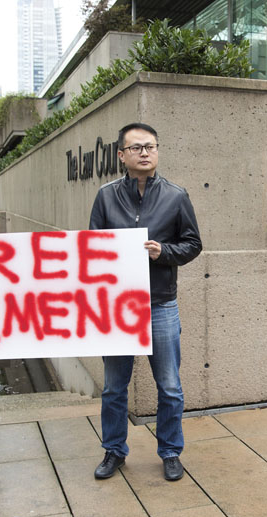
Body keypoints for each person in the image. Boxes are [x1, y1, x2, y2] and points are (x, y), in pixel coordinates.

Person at [89, 123, 202, 482]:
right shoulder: (106, 196)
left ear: (157, 151)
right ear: (121, 155)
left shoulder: (176, 196)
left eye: (150, 146)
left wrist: (163, 252)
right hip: (118, 306)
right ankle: (113, 451)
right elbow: (92, 249)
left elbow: (193, 244)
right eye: (136, 147)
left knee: (169, 385)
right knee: (113, 387)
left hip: (160, 304)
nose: (144, 153)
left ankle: (170, 451)